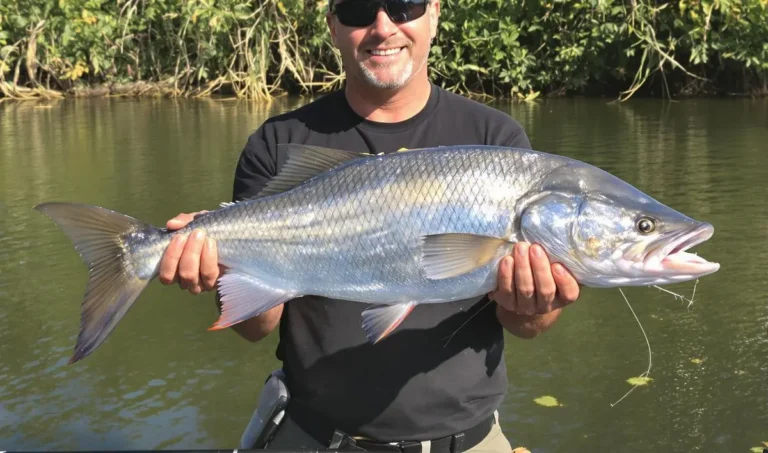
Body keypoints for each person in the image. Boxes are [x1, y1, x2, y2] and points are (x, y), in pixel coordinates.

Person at [158, 0, 581, 451]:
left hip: (469, 440)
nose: (383, 27)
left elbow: (526, 326)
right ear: (334, 26)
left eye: (404, 6)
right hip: (314, 437)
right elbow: (255, 326)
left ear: (434, 14)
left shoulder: (498, 143)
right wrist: (214, 263)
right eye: (359, 8)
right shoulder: (278, 142)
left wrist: (535, 301)